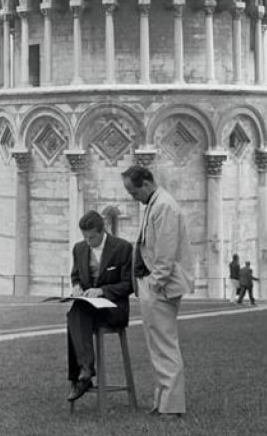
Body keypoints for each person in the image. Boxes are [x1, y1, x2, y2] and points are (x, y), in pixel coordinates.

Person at [123, 165, 193, 420]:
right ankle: (163, 401)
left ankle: (172, 406)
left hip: (160, 286)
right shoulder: (155, 204)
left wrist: (155, 283)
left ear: (147, 184)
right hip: (153, 284)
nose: (133, 198)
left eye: (133, 192)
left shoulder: (164, 206)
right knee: (157, 345)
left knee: (164, 345)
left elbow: (165, 252)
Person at [65, 210, 134, 402]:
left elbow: (129, 284)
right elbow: (76, 276)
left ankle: (82, 375)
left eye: (92, 237)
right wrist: (77, 287)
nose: (88, 241)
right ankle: (85, 371)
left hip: (113, 309)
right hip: (88, 308)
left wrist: (102, 291)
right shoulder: (79, 249)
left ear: (102, 231)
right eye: (85, 236)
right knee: (75, 311)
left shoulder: (122, 248)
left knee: (74, 317)